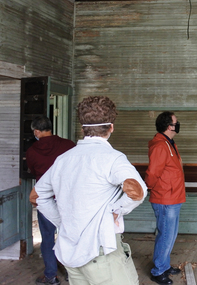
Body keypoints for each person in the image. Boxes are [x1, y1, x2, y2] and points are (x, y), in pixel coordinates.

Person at [30, 96, 147, 285]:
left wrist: (62, 220)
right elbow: (137, 192)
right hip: (101, 253)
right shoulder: (112, 158)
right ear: (111, 128)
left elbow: (36, 196)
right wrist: (116, 211)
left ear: (83, 128)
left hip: (69, 253)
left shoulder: (63, 159)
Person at [27, 116, 76, 285]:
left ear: (36, 131)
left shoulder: (32, 151)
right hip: (67, 199)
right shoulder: (68, 145)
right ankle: (73, 273)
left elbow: (33, 171)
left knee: (47, 238)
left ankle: (50, 276)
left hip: (45, 199)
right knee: (69, 235)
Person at [145, 111, 185, 285]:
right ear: (169, 126)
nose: (178, 124)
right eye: (176, 122)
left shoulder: (170, 143)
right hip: (165, 198)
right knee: (166, 234)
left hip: (174, 197)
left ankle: (164, 264)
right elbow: (153, 173)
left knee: (171, 234)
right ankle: (158, 271)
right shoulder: (160, 146)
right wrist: (151, 188)